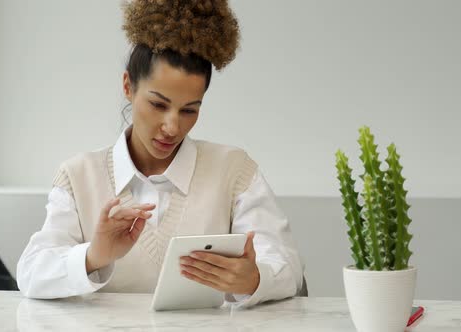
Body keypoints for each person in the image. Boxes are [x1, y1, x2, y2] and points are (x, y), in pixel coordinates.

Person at [17, 0, 305, 307]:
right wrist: (94, 255)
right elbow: (32, 272)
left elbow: (288, 267)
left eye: (189, 110)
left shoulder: (234, 170)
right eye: (158, 105)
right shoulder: (79, 175)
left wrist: (254, 279)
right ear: (128, 86)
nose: (172, 127)